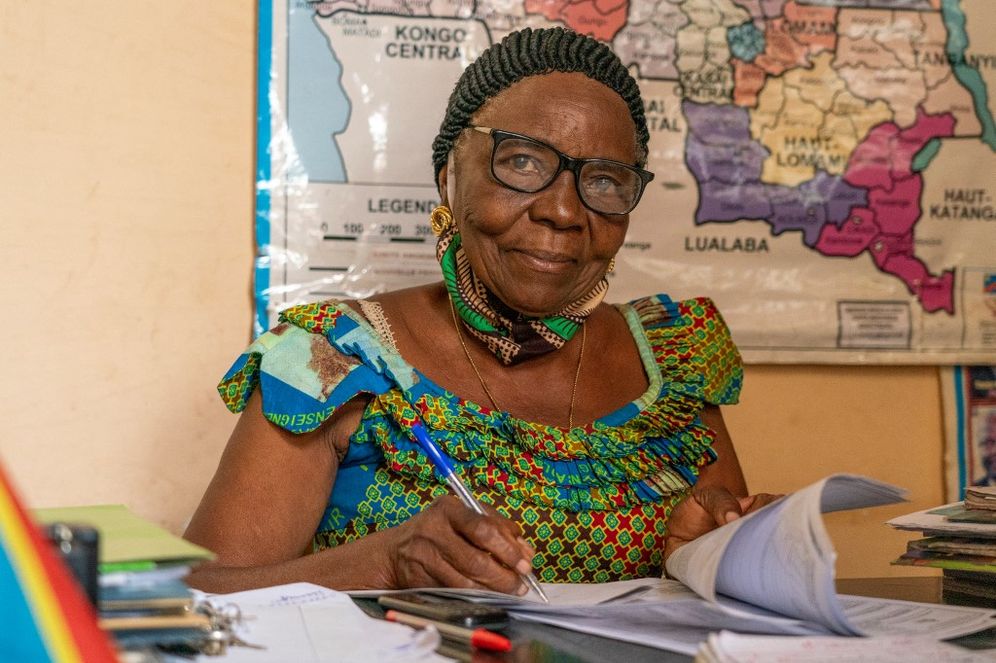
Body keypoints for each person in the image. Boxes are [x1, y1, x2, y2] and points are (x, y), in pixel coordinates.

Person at [184, 27, 777, 594]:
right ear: (449, 177)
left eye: (604, 181)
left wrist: (708, 559)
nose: (563, 212)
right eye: (522, 162)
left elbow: (719, 593)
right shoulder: (331, 359)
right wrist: (382, 563)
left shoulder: (674, 362)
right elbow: (198, 597)